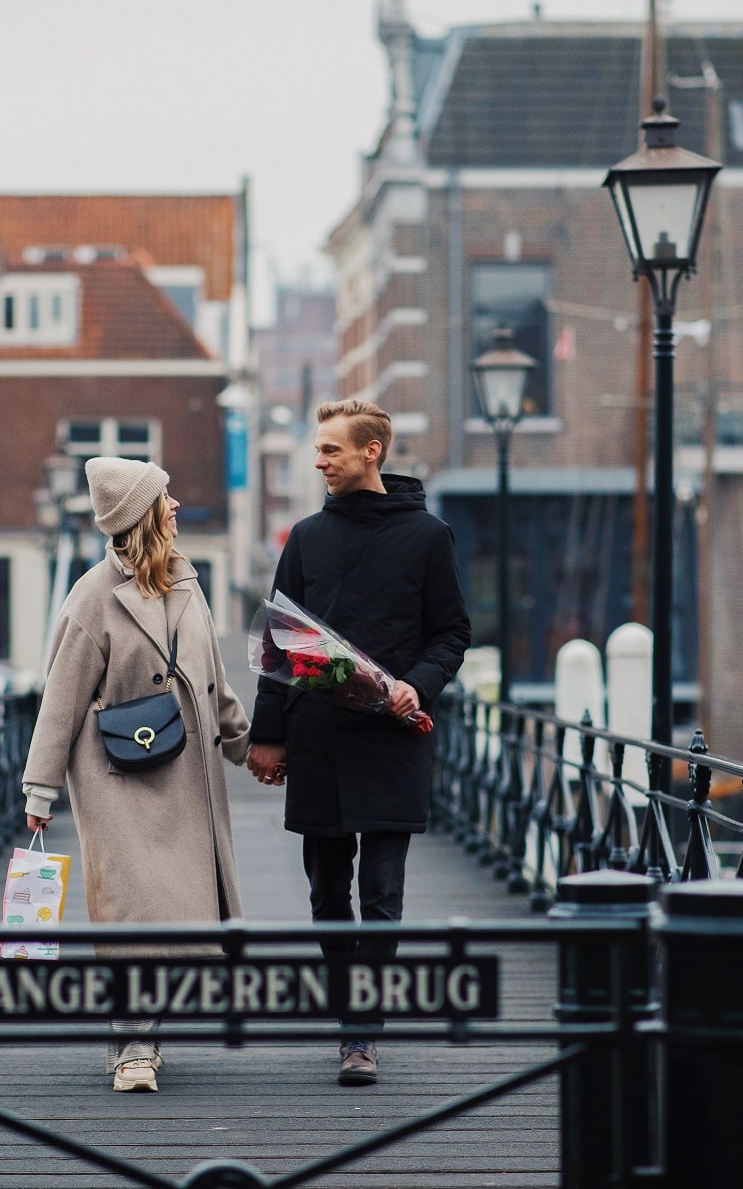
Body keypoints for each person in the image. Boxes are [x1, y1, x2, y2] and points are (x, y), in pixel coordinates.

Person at [246, 399, 471, 1086]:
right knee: (325, 891)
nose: (319, 462)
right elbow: (279, 643)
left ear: (370, 452)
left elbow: (452, 634)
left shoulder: (429, 537)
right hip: (318, 739)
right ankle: (352, 1009)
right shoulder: (306, 538)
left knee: (381, 893)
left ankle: (360, 1033)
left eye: (330, 451)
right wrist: (268, 735)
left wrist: (418, 684)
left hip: (393, 738)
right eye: (319, 451)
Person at [20, 455, 252, 1094]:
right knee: (130, 914)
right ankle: (132, 1046)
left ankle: (148, 1030)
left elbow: (213, 682)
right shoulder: (93, 597)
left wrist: (247, 746)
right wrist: (40, 789)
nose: (177, 506)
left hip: (186, 778)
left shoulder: (187, 583)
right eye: (166, 498)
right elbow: (59, 696)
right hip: (118, 779)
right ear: (142, 517)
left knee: (176, 914)